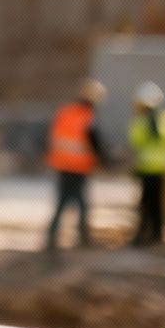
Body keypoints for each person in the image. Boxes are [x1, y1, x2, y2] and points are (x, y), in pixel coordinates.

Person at [43, 79, 110, 251]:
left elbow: (51, 135)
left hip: (62, 164)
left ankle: (52, 235)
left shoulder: (66, 112)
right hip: (79, 167)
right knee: (80, 203)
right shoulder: (88, 117)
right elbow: (95, 142)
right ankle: (83, 237)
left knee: (63, 202)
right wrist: (105, 160)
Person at [128, 81, 165, 247]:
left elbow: (135, 143)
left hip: (146, 168)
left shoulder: (140, 122)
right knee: (158, 204)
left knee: (145, 203)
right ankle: (157, 235)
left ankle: (142, 234)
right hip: (162, 168)